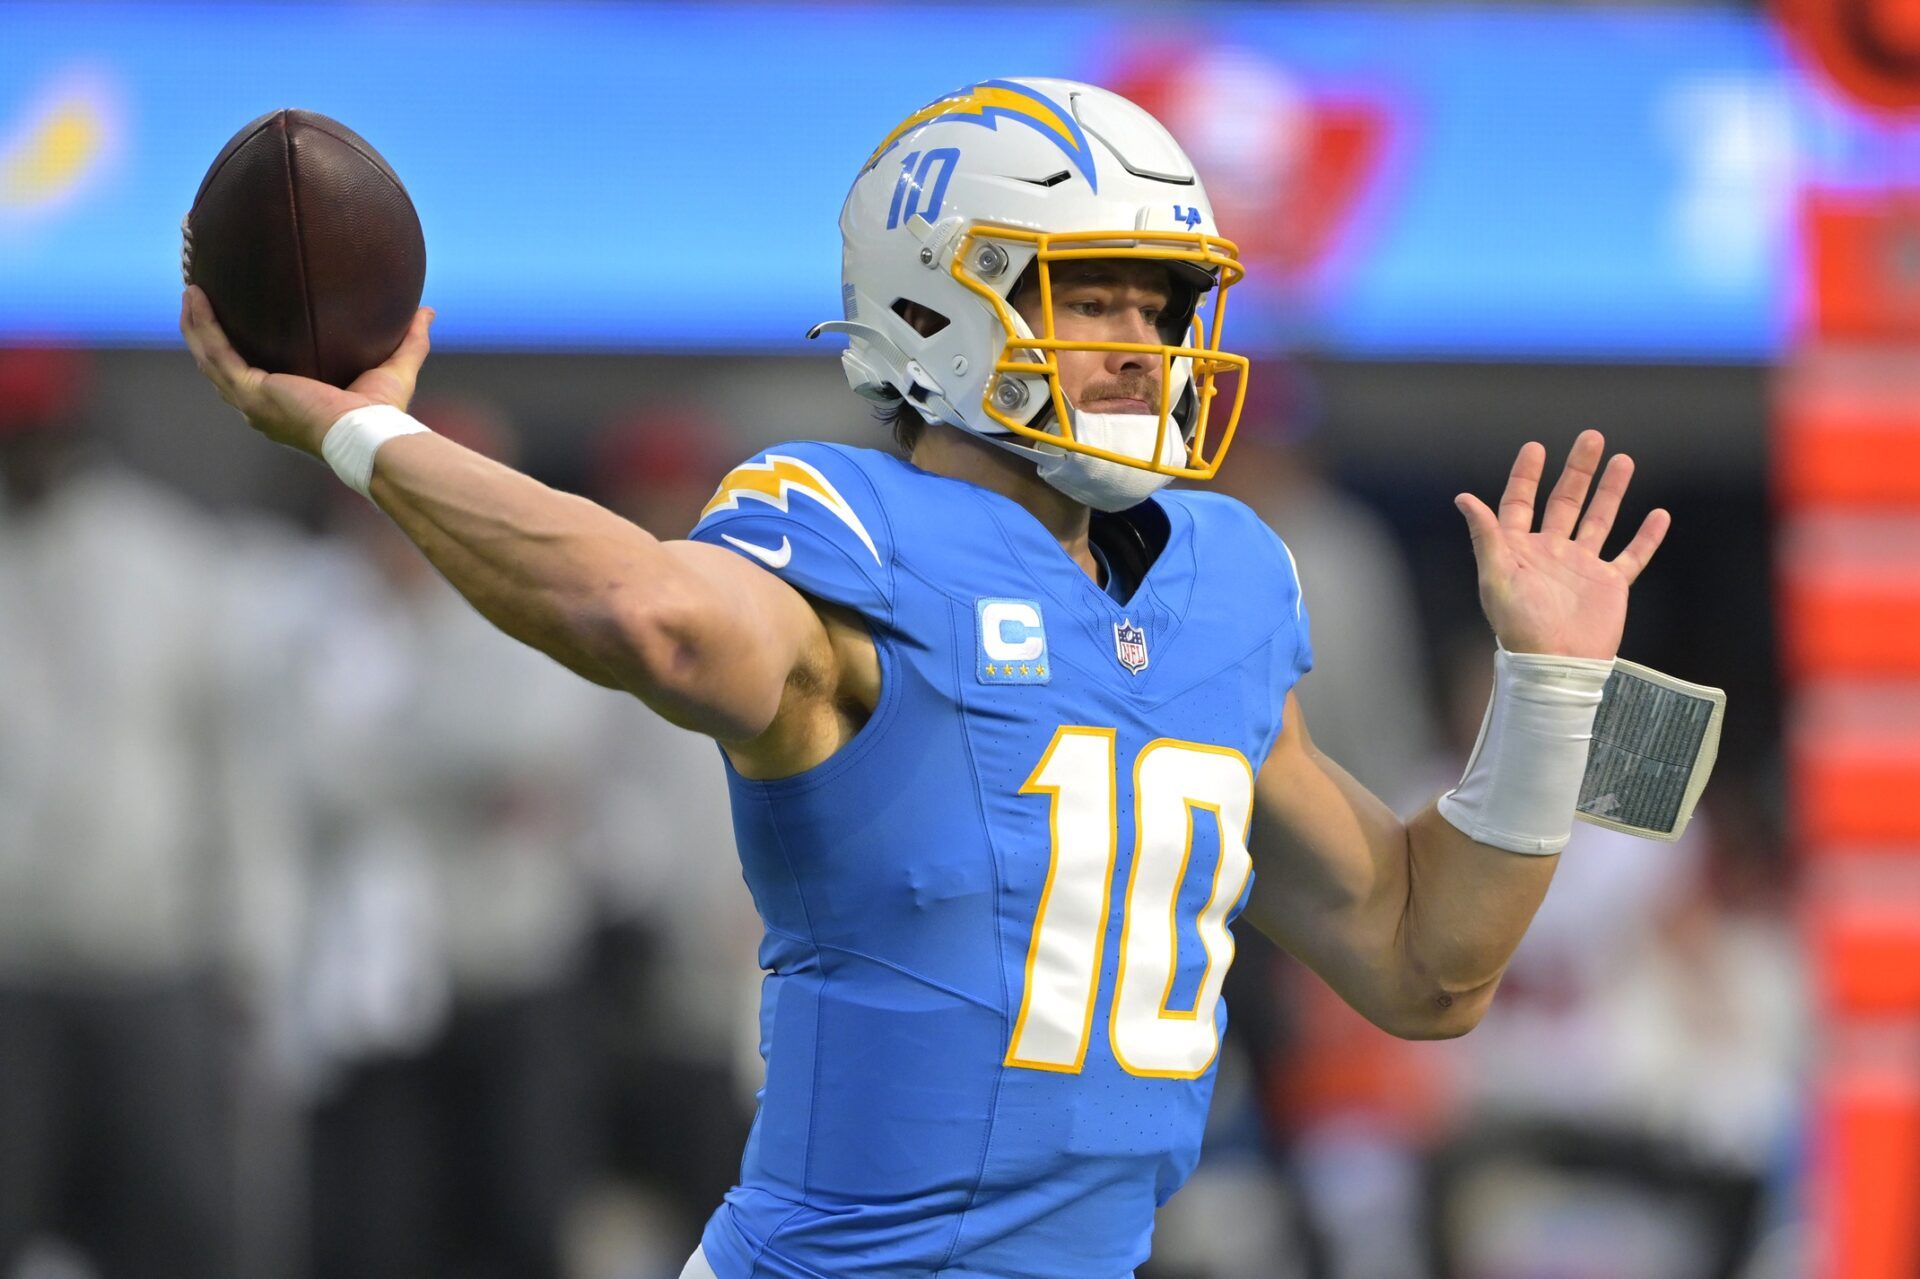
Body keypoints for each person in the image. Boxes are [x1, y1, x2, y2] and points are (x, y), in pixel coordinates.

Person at [180, 77, 1671, 1279]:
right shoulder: (854, 538)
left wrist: (1549, 697)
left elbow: (1427, 962)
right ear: (939, 303)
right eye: (1097, 299)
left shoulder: (1220, 587)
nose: (1145, 348)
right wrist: (363, 434)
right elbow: (650, 615)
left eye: (1162, 307)